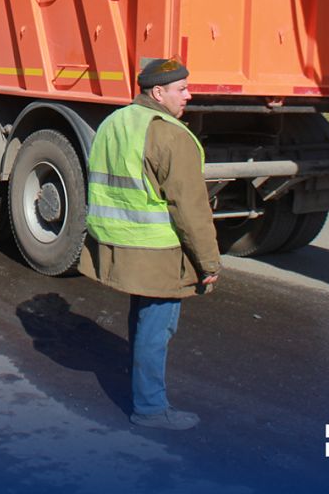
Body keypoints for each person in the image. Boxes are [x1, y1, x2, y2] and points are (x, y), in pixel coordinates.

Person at [79, 58, 221, 431]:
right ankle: (151, 410)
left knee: (142, 321)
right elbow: (190, 209)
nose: (188, 96)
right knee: (157, 330)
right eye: (181, 89)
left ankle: (144, 394)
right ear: (158, 93)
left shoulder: (114, 122)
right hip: (158, 252)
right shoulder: (170, 134)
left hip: (119, 243)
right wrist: (209, 264)